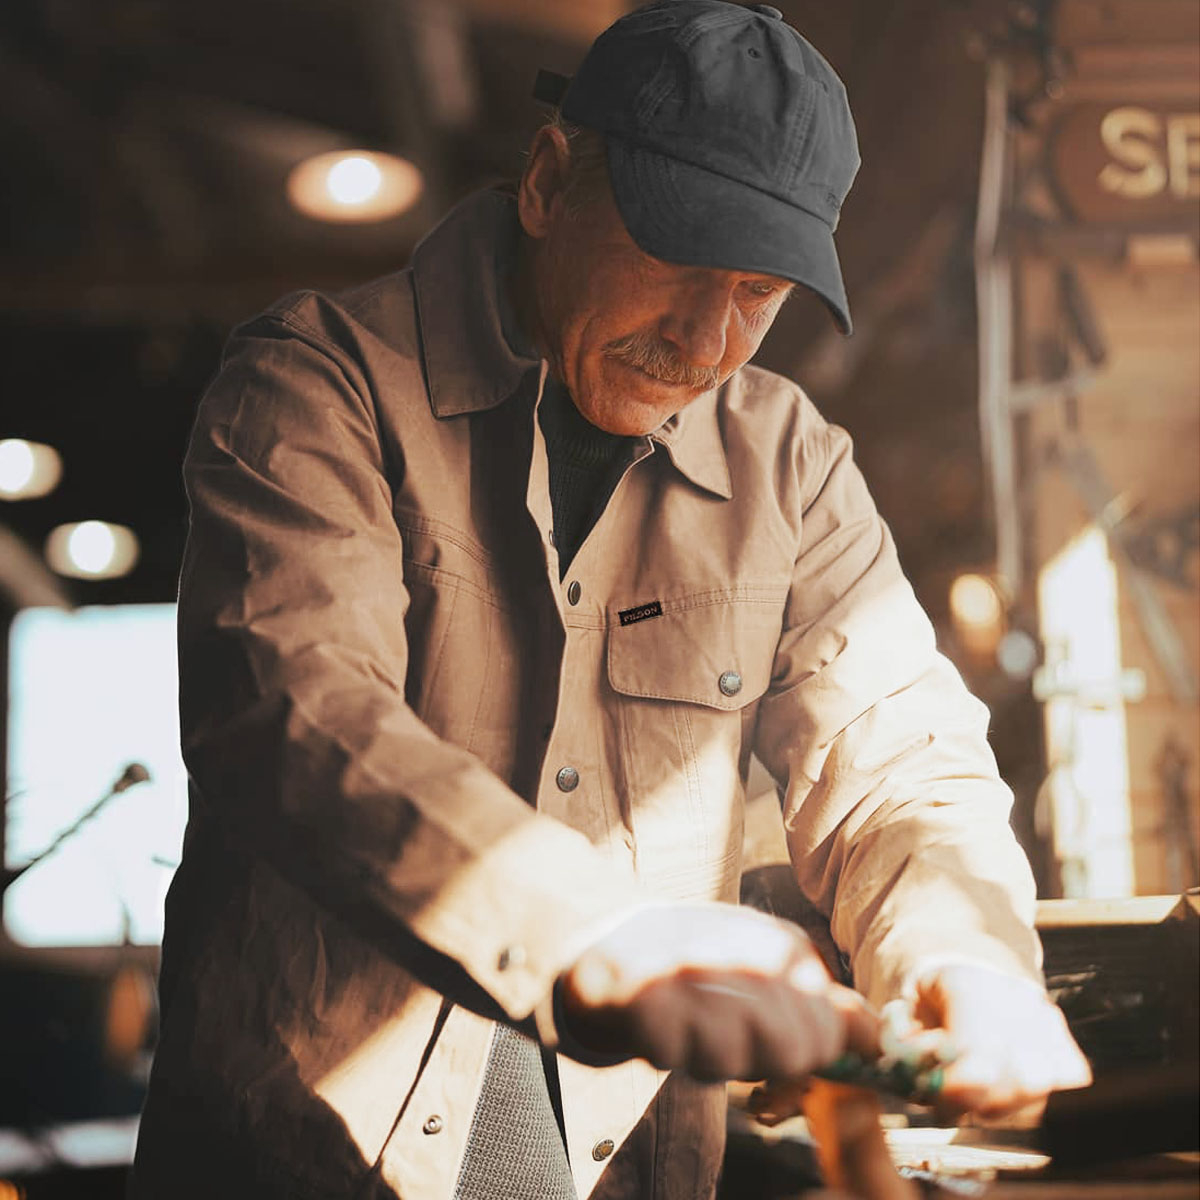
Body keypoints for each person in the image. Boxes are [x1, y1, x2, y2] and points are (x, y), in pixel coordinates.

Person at [131, 3, 1090, 1198]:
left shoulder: (789, 462)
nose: (707, 339)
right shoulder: (316, 384)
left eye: (758, 292)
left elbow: (900, 758)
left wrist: (965, 955)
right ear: (546, 184)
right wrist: (593, 939)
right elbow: (296, 712)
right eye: (680, 261)